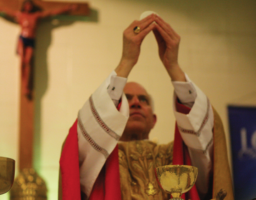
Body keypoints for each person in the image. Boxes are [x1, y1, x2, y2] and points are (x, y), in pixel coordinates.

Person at [59, 14, 233, 200]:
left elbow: (207, 136)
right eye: (127, 99)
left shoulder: (174, 158)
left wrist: (174, 67)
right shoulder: (99, 161)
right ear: (113, 118)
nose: (135, 102)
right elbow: (79, 142)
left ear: (154, 119)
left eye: (143, 100)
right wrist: (126, 62)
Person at [0, 0, 76, 99]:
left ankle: (27, 86)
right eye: (26, 5)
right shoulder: (20, 15)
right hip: (22, 40)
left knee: (28, 62)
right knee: (22, 62)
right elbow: (7, 12)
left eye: (30, 4)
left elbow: (51, 12)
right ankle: (25, 87)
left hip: (31, 40)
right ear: (24, 6)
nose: (28, 6)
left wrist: (67, 8)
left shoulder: (36, 16)